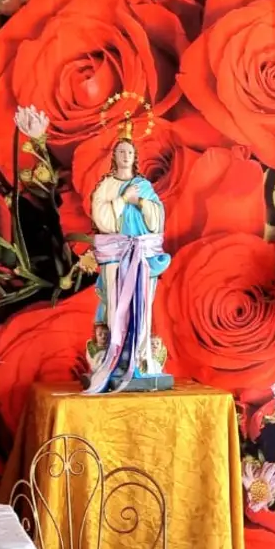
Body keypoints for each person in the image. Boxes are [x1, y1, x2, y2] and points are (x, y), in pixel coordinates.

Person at [83, 131, 171, 393]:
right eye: (121, 152)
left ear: (135, 157)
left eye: (129, 152)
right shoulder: (106, 185)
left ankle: (142, 359)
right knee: (115, 305)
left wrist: (139, 200)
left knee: (142, 306)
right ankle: (115, 360)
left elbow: (157, 218)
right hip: (116, 255)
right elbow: (103, 219)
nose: (125, 156)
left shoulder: (143, 186)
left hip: (142, 254)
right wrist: (122, 199)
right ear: (114, 156)